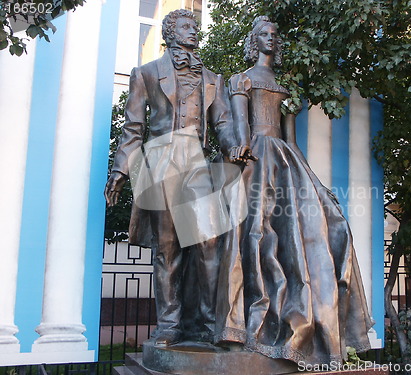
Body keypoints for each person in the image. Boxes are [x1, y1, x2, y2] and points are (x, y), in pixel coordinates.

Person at [215, 16, 374, 365]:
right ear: (253, 41)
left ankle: (312, 329)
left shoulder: (285, 87)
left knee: (331, 226)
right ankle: (241, 327)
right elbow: (241, 128)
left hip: (286, 163)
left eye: (274, 35)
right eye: (264, 35)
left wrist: (316, 184)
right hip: (255, 159)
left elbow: (292, 142)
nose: (271, 39)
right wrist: (239, 157)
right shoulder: (241, 79)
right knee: (255, 236)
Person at [104, 9, 243, 347]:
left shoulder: (213, 79)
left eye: (195, 26)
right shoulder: (147, 73)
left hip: (197, 162)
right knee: (167, 248)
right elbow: (133, 129)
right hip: (161, 160)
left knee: (209, 244)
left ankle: (211, 324)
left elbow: (223, 123)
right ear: (169, 32)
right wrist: (121, 169)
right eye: (185, 26)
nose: (193, 30)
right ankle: (169, 325)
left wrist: (234, 147)